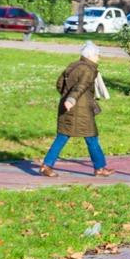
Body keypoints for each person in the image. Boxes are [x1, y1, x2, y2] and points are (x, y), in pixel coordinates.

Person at [38, 42, 114, 177]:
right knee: (92, 138)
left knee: (62, 137)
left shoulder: (73, 65)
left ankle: (46, 165)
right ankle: (100, 168)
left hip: (67, 108)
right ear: (90, 55)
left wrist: (66, 97)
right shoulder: (88, 69)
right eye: (97, 55)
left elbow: (59, 83)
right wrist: (71, 99)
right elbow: (81, 86)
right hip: (81, 111)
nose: (98, 57)